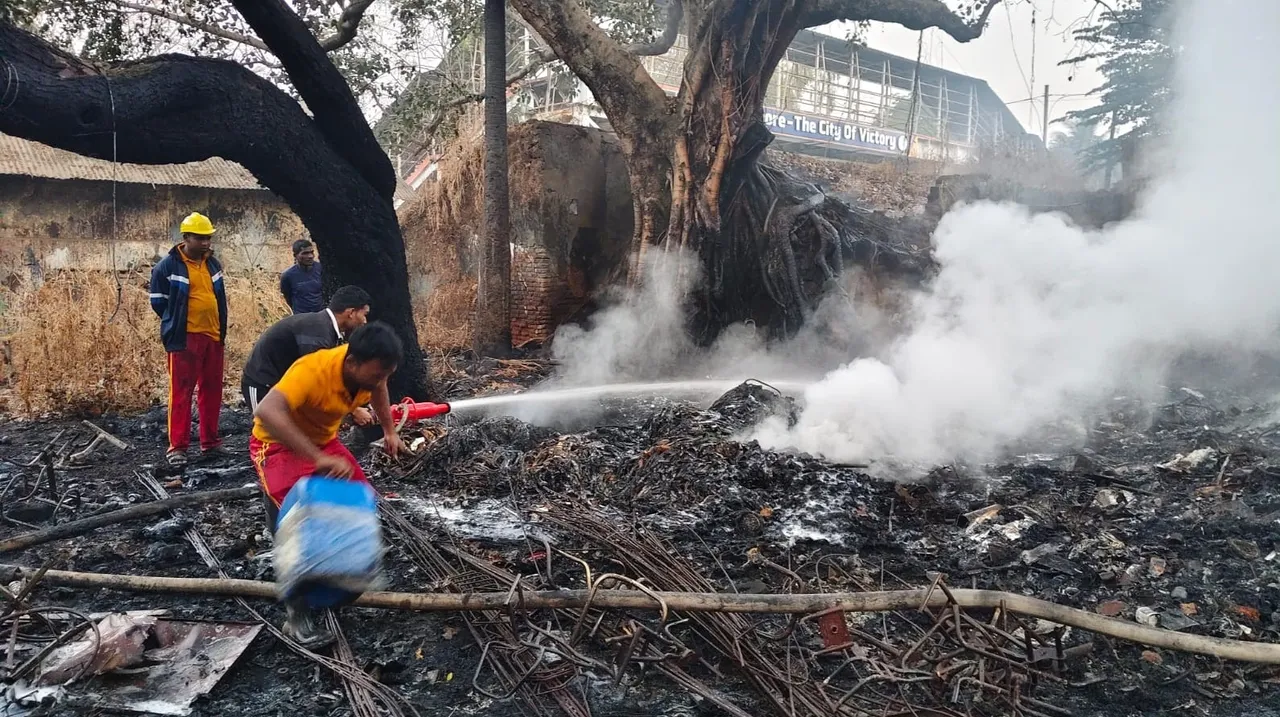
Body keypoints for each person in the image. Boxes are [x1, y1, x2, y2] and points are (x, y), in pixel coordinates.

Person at [249, 321, 407, 646]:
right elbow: (267, 410)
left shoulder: (370, 372)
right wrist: (316, 458)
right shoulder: (312, 370)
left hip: (323, 442)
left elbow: (379, 388)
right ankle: (297, 617)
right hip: (278, 444)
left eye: (385, 374)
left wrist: (389, 431)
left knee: (359, 500)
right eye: (377, 373)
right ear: (352, 363)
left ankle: (343, 575)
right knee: (302, 524)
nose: (381, 380)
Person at [149, 212, 228, 467]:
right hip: (184, 340)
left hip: (213, 336)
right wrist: (176, 325)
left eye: (208, 238)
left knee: (213, 391)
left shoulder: (212, 264)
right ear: (186, 238)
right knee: (181, 393)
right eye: (200, 238)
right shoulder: (167, 266)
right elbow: (158, 302)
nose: (206, 243)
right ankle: (178, 448)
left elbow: (219, 299)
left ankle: (211, 443)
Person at [241, 285, 373, 427]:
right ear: (351, 312)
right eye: (364, 314)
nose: (365, 321)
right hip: (262, 383)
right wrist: (353, 410)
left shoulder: (326, 327)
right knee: (268, 433)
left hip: (284, 385)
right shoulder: (318, 334)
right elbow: (318, 380)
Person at [280, 239, 323, 314]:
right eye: (305, 253)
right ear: (295, 256)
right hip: (301, 317)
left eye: (311, 252)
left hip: (321, 315)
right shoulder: (288, 276)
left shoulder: (321, 269)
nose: (310, 256)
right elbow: (288, 296)